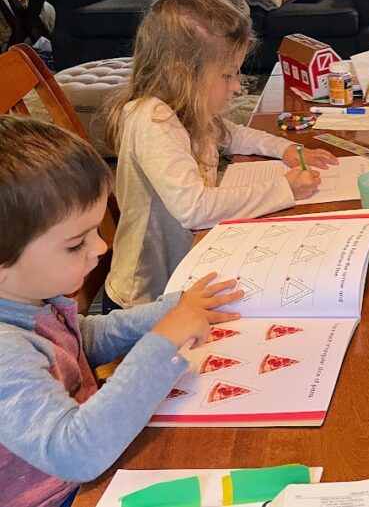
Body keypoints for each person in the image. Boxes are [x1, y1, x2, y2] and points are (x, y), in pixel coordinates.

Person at [0, 115, 242, 507]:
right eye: (76, 243)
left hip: (96, 468)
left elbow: (80, 341)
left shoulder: (30, 299)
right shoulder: (5, 351)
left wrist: (170, 310)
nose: (100, 249)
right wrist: (161, 343)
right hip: (60, 494)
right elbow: (74, 453)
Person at [103, 0, 338, 310]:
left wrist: (286, 149)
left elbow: (234, 135)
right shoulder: (153, 121)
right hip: (145, 299)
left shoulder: (185, 108)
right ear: (181, 74)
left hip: (187, 270)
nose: (237, 86)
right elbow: (194, 208)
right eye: (227, 74)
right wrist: (284, 189)